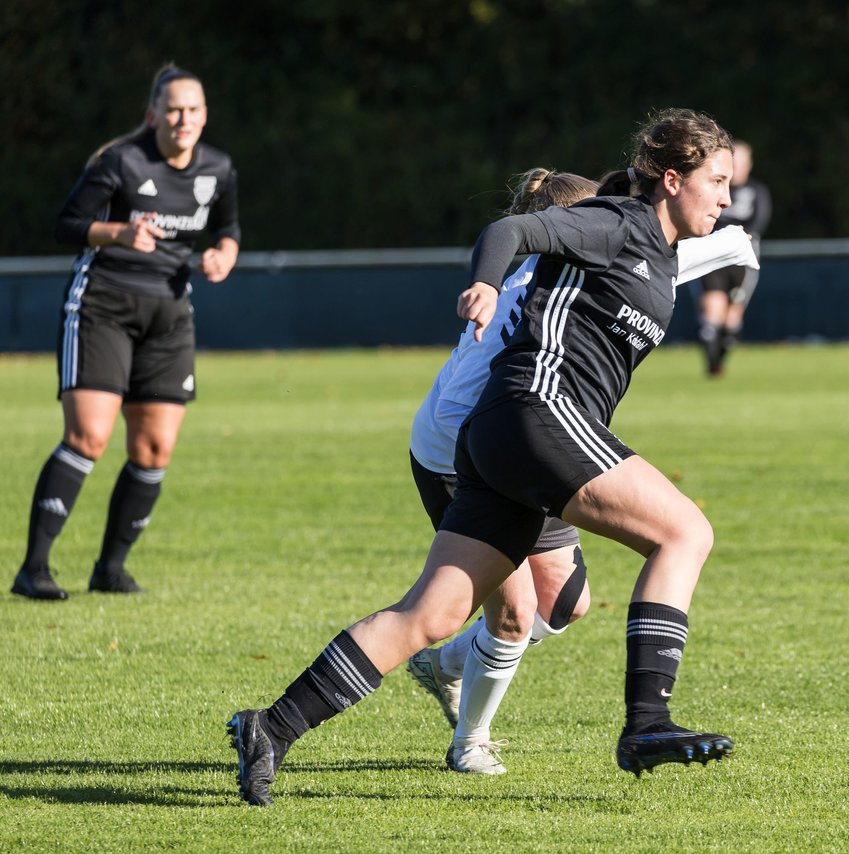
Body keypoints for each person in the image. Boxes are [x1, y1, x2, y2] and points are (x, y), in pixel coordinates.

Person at [228, 107, 738, 807]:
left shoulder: (661, 252)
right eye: (718, 181)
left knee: (430, 617)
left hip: (507, 436)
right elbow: (512, 228)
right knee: (686, 532)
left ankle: (270, 728)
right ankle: (646, 722)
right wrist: (489, 282)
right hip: (537, 412)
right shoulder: (619, 224)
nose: (727, 197)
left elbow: (712, 247)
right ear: (673, 179)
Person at [404, 169, 759, 775]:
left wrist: (721, 232)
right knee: (512, 615)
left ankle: (446, 663)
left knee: (567, 603)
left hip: (525, 439)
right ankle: (470, 740)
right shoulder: (533, 286)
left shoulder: (570, 273)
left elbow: (661, 261)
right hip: (458, 455)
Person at [11, 64, 239, 600]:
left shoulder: (219, 168)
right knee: (89, 436)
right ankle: (34, 569)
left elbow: (227, 230)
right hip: (103, 306)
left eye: (194, 109)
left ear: (205, 116)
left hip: (169, 314)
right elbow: (66, 224)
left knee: (155, 447)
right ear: (153, 114)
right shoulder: (122, 160)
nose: (184, 119)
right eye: (174, 109)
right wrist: (119, 231)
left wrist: (223, 255)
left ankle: (110, 569)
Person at [694, 139, 770, 376]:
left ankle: (720, 359)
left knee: (732, 319)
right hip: (713, 254)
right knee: (712, 310)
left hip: (741, 257)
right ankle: (711, 363)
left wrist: (741, 238)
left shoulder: (756, 191)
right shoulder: (715, 189)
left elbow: (760, 220)